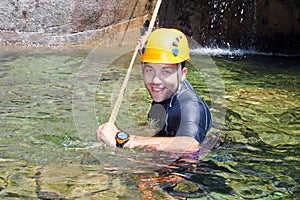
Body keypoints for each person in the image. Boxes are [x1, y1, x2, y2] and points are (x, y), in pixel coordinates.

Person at [96, 28, 212, 153]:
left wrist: (124, 140)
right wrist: (148, 47)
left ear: (182, 74)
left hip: (191, 167)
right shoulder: (170, 88)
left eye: (166, 71)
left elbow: (190, 145)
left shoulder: (190, 105)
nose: (156, 80)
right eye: (149, 70)